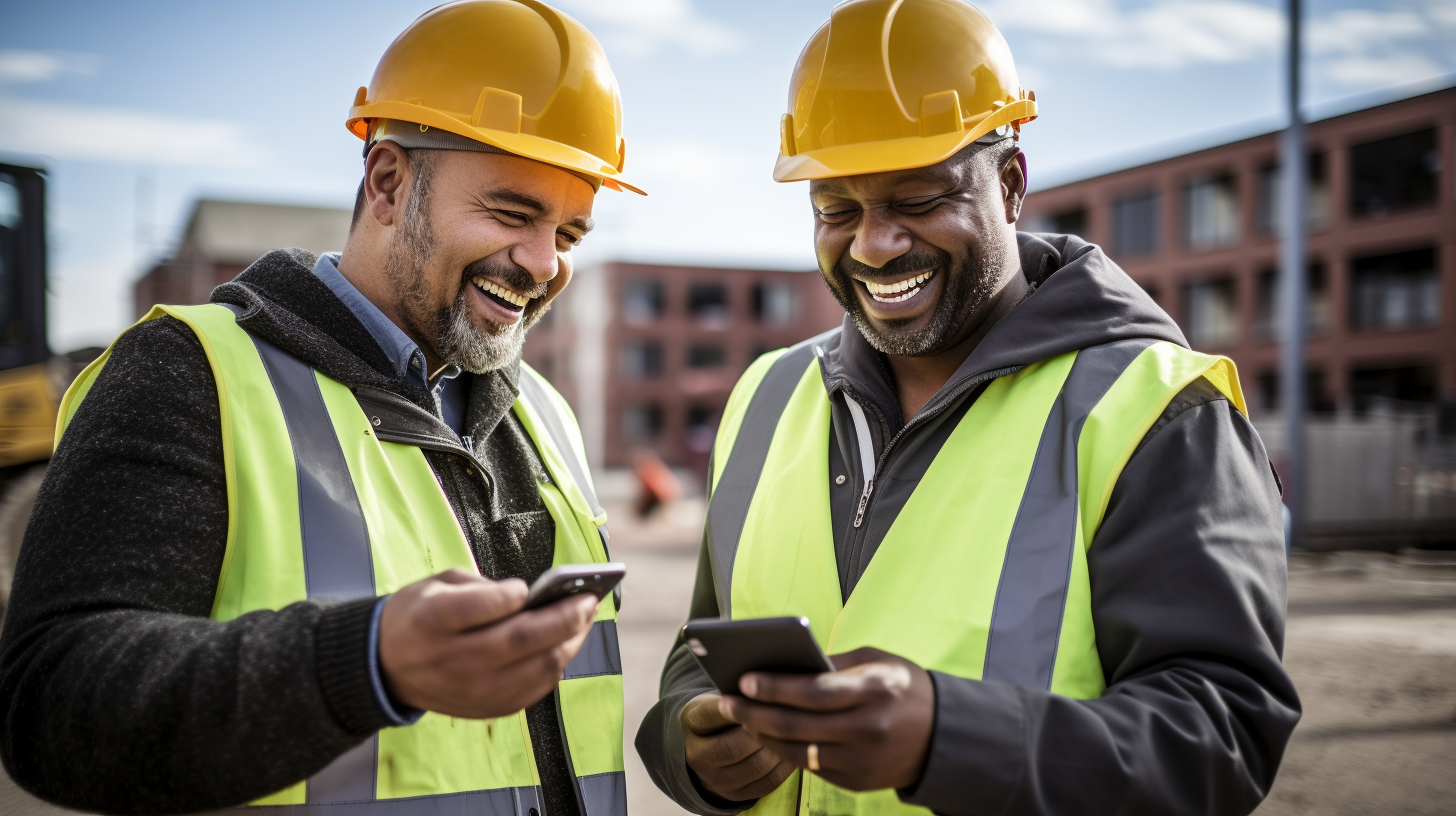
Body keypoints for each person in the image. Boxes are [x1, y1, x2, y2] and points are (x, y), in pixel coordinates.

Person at [635, 1, 1299, 814]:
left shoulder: (1158, 414)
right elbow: (703, 651)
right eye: (836, 209)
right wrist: (689, 743)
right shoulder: (766, 398)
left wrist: (947, 738)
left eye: (918, 199)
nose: (876, 244)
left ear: (1011, 185)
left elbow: (1222, 736)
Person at [0, 2, 640, 813]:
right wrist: (366, 661)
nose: (543, 262)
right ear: (387, 182)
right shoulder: (189, 374)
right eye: (512, 213)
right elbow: (53, 704)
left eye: (571, 234)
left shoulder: (546, 416)